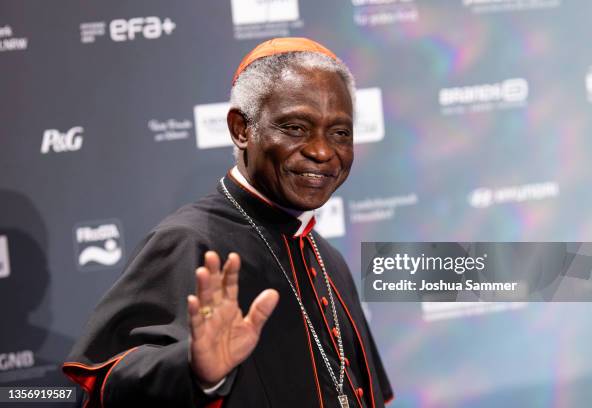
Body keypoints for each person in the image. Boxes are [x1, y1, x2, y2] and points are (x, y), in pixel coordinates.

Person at [63, 37, 393, 407]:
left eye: (340, 133)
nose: (321, 151)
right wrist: (196, 371)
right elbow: (111, 386)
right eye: (296, 128)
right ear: (241, 129)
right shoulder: (188, 241)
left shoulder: (327, 256)